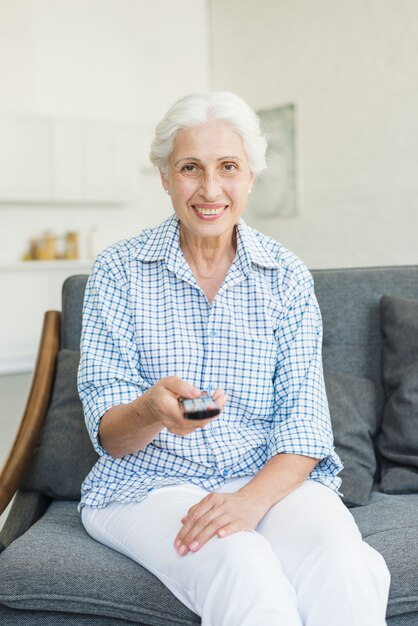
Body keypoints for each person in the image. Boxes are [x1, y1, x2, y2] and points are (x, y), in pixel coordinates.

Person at [78, 91, 390, 626]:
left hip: (264, 474)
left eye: (228, 167)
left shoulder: (286, 275)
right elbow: (109, 436)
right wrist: (152, 410)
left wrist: (249, 503)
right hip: (149, 485)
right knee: (243, 564)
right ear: (165, 177)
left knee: (345, 563)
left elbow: (305, 426)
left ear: (250, 177)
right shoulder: (118, 272)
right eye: (190, 168)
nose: (210, 189)